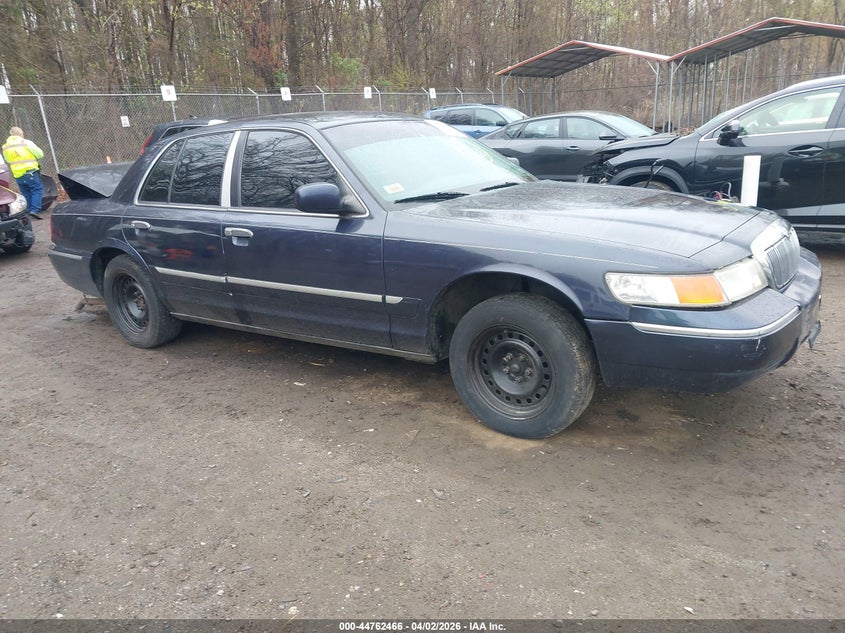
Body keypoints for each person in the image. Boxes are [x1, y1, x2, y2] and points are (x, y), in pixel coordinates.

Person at [2, 126, 45, 219]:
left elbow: (7, 160)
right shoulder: (25, 142)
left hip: (17, 174)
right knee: (36, 190)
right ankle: (35, 210)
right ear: (21, 134)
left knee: (26, 192)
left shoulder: (5, 147)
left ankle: (29, 210)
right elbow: (40, 154)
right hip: (30, 171)